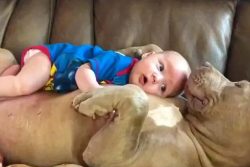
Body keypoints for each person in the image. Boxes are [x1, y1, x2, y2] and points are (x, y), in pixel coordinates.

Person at [0, 43, 190, 98]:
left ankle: (12, 72)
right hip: (50, 59)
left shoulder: (128, 91)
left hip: (53, 80)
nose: (157, 78)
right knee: (23, 86)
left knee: (23, 91)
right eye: (160, 67)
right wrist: (95, 91)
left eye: (163, 88)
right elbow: (83, 71)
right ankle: (16, 77)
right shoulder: (118, 62)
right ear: (147, 55)